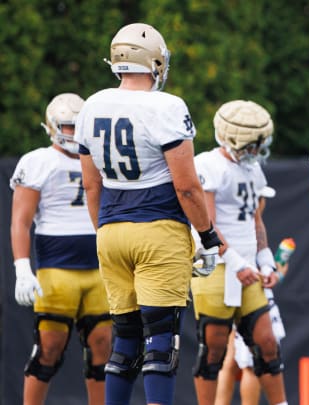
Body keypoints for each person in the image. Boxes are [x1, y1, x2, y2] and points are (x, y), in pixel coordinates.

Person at [74, 23, 222, 405]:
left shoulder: (91, 105)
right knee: (161, 341)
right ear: (154, 60)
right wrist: (206, 236)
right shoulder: (166, 106)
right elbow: (186, 186)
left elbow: (92, 186)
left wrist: (103, 230)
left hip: (110, 229)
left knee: (125, 339)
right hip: (158, 229)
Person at [10, 93, 112, 405]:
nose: (74, 133)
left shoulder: (101, 158)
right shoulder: (38, 161)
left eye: (78, 126)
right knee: (49, 349)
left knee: (103, 348)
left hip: (99, 269)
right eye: (68, 127)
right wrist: (22, 268)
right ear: (53, 127)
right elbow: (21, 221)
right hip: (57, 269)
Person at [190, 100, 286, 405]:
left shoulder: (252, 168)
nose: (256, 151)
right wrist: (234, 262)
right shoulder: (209, 164)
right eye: (252, 144)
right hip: (216, 268)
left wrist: (265, 260)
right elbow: (207, 224)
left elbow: (255, 221)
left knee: (267, 344)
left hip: (248, 272)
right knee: (213, 351)